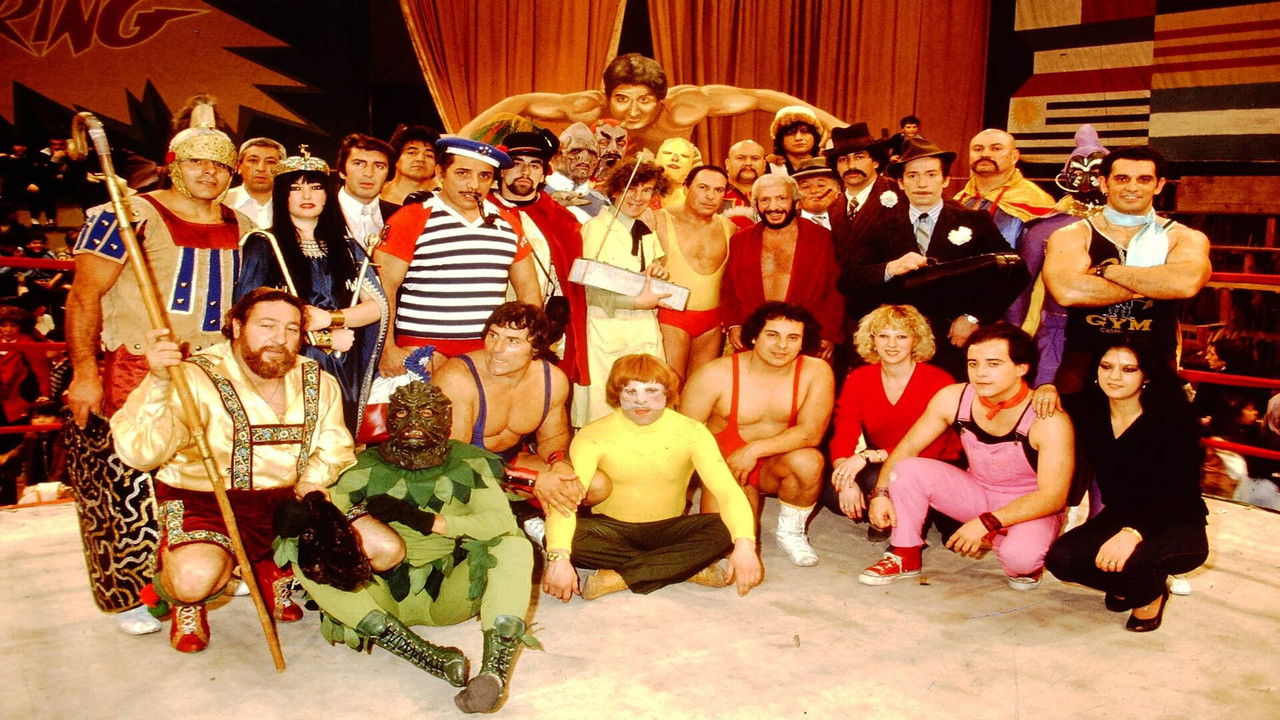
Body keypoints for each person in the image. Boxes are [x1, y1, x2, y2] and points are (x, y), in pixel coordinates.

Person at [65, 105, 250, 634]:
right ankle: (134, 591)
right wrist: (85, 372)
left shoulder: (242, 225)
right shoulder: (125, 216)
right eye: (196, 162)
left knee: (205, 479)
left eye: (220, 164)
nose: (209, 172)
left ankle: (204, 573)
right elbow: (83, 296)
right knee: (132, 481)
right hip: (137, 364)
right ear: (173, 164)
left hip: (213, 368)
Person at [111, 288, 356, 652]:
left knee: (375, 547)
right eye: (267, 325)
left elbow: (335, 448)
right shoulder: (191, 376)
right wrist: (159, 382)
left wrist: (310, 487)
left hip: (284, 501)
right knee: (194, 580)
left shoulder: (316, 379)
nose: (279, 338)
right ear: (238, 327)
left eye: (291, 329)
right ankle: (185, 598)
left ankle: (271, 569)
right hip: (206, 502)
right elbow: (140, 453)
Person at [281, 380, 535, 713]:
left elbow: (500, 523)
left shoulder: (469, 464)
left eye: (426, 413)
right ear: (389, 419)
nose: (414, 421)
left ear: (445, 419)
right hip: (378, 595)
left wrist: (428, 521)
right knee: (305, 547)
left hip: (450, 594)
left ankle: (494, 673)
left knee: (515, 547)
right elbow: (327, 511)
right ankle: (424, 656)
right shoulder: (360, 465)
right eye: (402, 413)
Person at [861, 324, 1073, 589]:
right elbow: (908, 447)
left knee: (1021, 564)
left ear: (1021, 368)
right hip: (978, 492)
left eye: (993, 364)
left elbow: (1053, 497)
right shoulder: (954, 397)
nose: (980, 373)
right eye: (973, 363)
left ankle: (1013, 540)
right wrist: (880, 494)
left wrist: (987, 523)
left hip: (1031, 506)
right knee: (907, 469)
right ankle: (905, 554)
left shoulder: (1048, 420)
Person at [542, 354, 763, 600]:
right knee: (560, 539)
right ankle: (682, 568)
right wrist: (558, 558)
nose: (641, 400)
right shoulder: (592, 434)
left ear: (667, 393)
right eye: (630, 391)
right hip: (613, 530)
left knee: (726, 529)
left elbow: (728, 491)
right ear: (617, 393)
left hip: (670, 529)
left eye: (652, 390)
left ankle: (618, 577)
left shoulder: (692, 432)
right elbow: (566, 500)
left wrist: (746, 545)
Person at [1045, 339, 1209, 632]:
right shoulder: (1089, 409)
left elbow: (1180, 494)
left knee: (1136, 562)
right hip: (1119, 515)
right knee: (1061, 559)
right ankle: (1131, 583)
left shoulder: (1173, 419)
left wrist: (1133, 532)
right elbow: (1047, 403)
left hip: (1175, 518)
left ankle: (1150, 593)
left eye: (1128, 369)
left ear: (1146, 375)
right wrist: (1046, 388)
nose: (1114, 377)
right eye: (1106, 366)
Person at [234, 149, 389, 436]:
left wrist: (331, 319)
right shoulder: (263, 243)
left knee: (336, 440)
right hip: (287, 362)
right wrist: (321, 337)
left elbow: (377, 306)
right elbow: (250, 316)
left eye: (316, 187)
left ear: (328, 194)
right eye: (296, 188)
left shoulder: (347, 246)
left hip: (342, 362)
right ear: (282, 195)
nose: (307, 195)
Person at [1042, 145, 1212, 395]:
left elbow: (1184, 284)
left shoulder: (1183, 236)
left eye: (1144, 179)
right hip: (1083, 366)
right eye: (1122, 178)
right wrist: (1155, 285)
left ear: (1159, 185)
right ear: (1104, 183)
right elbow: (1068, 291)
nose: (1132, 187)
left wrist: (1103, 272)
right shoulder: (1073, 234)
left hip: (1155, 364)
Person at [838, 136, 1012, 378]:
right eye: (912, 176)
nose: (922, 183)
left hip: (953, 341)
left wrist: (974, 317)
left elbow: (1014, 272)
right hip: (897, 346)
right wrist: (890, 268)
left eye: (931, 175)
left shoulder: (974, 221)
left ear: (946, 179)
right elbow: (848, 280)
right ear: (900, 182)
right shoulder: (879, 225)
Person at [681, 302, 835, 567]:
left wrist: (753, 450)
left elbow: (811, 433)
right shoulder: (715, 374)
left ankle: (791, 532)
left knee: (809, 461)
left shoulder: (816, 371)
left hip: (774, 465)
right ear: (754, 336)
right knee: (727, 545)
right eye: (772, 335)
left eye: (793, 338)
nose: (782, 345)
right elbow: (682, 436)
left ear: (803, 342)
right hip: (728, 467)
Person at [457, 53, 842, 157]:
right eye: (622, 100)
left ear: (662, 99)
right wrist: (459, 138)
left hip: (674, 194)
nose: (632, 112)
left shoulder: (685, 106)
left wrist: (836, 125)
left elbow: (762, 97)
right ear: (607, 96)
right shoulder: (588, 107)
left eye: (644, 101)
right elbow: (520, 102)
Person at [376, 138, 542, 377]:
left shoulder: (508, 222)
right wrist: (386, 349)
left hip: (487, 350)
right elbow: (384, 289)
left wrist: (523, 344)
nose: (474, 184)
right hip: (422, 347)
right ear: (440, 173)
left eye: (484, 176)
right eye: (463, 173)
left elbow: (528, 289)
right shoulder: (410, 218)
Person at [433, 303, 580, 518]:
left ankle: (525, 518)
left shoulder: (552, 379)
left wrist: (558, 463)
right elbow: (454, 460)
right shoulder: (456, 378)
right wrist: (531, 481)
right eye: (493, 335)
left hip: (509, 464)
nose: (497, 348)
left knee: (593, 485)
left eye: (513, 341)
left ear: (536, 348)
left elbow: (553, 437)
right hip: (459, 472)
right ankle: (517, 516)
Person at [825, 305, 960, 535]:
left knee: (884, 479)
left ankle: (898, 514)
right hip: (885, 459)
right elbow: (844, 433)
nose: (892, 344)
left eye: (901, 337)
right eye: (884, 336)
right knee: (833, 493)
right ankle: (888, 511)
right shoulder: (859, 378)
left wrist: (867, 456)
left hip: (935, 461)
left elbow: (933, 447)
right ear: (873, 340)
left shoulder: (939, 380)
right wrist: (845, 478)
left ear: (915, 340)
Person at [571, 157, 671, 426]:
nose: (638, 198)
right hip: (607, 329)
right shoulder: (595, 230)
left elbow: (650, 271)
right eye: (631, 189)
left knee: (646, 402)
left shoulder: (645, 231)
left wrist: (657, 273)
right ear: (615, 190)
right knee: (607, 409)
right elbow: (589, 292)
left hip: (643, 329)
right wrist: (636, 303)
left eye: (646, 190)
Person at [489, 130, 589, 386]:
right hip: (489, 332)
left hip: (542, 334)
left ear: (544, 174)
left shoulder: (562, 219)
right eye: (516, 164)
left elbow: (570, 281)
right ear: (501, 171)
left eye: (534, 165)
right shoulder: (480, 211)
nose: (525, 172)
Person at [720, 173, 842, 360]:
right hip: (754, 339)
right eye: (765, 200)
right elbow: (729, 288)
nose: (773, 207)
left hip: (808, 339)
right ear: (756, 205)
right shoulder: (740, 240)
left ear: (796, 202)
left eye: (781, 198)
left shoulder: (821, 238)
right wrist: (734, 324)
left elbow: (835, 290)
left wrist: (828, 333)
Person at [655, 164, 736, 381]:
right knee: (671, 384)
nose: (710, 196)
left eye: (718, 190)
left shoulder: (730, 228)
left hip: (712, 321)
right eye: (703, 187)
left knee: (700, 386)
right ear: (686, 187)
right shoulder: (658, 220)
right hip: (671, 317)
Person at [334, 133, 399, 243]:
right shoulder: (319, 212)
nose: (369, 173)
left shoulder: (400, 215)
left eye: (379, 166)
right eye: (358, 164)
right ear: (342, 171)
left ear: (388, 176)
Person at [545, 122, 608, 221]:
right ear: (556, 156)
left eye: (592, 153)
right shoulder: (536, 191)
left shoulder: (603, 205)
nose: (584, 158)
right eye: (575, 151)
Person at [222, 137, 285, 228]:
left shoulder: (293, 204)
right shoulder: (221, 202)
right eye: (253, 160)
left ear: (282, 169)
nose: (261, 168)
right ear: (238, 167)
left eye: (270, 162)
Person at [380, 124, 441, 205]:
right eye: (412, 153)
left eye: (429, 155)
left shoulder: (445, 198)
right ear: (396, 157)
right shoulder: (375, 193)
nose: (420, 159)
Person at [767, 106, 825, 176]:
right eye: (790, 133)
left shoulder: (828, 163)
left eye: (804, 131)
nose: (798, 138)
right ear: (780, 139)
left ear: (815, 136)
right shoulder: (769, 167)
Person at [792, 157, 841, 230]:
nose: (814, 191)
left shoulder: (850, 219)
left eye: (821, 185)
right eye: (805, 186)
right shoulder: (789, 224)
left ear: (838, 189)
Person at [656, 137, 701, 210]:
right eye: (668, 153)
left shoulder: (697, 198)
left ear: (692, 164)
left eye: (684, 156)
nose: (675, 158)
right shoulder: (644, 191)